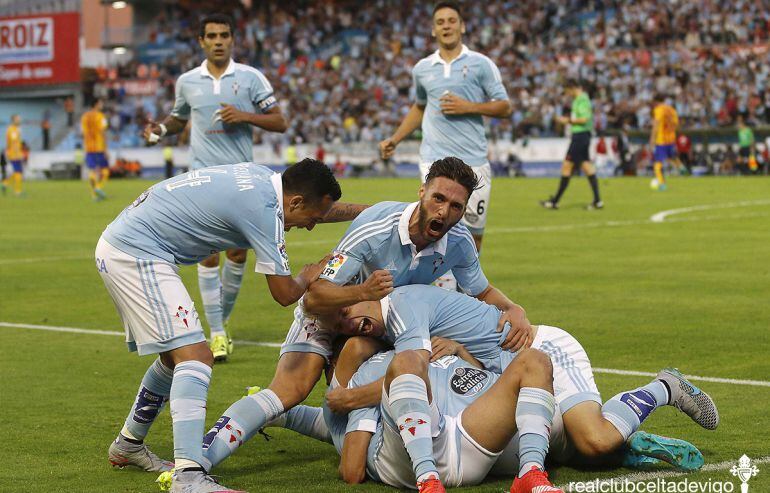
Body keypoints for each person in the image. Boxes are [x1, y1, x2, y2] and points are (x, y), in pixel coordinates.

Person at [197, 158, 532, 477]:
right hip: (329, 313)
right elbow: (315, 296)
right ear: (422, 192)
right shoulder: (376, 228)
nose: (444, 212)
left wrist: (514, 308)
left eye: (456, 206)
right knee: (289, 391)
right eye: (438, 198)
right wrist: (364, 293)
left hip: (377, 327)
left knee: (379, 396)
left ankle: (358, 446)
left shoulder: (458, 243)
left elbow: (482, 290)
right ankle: (198, 461)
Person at [97, 159, 344, 493]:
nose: (311, 226)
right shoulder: (263, 209)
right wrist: (308, 273)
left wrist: (383, 211)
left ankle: (128, 444)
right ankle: (187, 478)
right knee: (196, 357)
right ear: (295, 202)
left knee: (174, 359)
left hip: (126, 244)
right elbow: (285, 294)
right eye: (312, 219)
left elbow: (321, 209)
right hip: (137, 254)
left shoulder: (262, 178)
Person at [143, 13, 288, 362]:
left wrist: (246, 116)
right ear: (201, 41)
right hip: (201, 181)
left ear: (232, 39)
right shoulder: (188, 81)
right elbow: (178, 118)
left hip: (240, 180)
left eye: (224, 35)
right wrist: (160, 132)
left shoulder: (251, 78)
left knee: (237, 255)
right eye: (212, 35)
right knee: (208, 255)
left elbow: (280, 121)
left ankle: (218, 321)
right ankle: (219, 333)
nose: (219, 40)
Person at [379, 1, 512, 290]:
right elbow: (419, 107)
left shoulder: (481, 64)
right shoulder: (422, 69)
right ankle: (438, 290)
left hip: (473, 161)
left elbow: (504, 107)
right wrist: (395, 138)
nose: (447, 25)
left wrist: (468, 107)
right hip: (434, 160)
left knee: (473, 233)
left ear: (462, 26)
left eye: (452, 20)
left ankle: (467, 288)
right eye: (441, 22)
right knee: (434, 223)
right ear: (433, 30)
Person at [540, 80, 602, 210]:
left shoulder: (582, 99)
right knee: (586, 167)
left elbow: (585, 119)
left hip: (580, 136)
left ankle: (555, 201)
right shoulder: (579, 100)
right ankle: (597, 201)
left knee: (567, 166)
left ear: (572, 88)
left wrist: (567, 120)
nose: (567, 94)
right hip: (581, 136)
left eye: (567, 91)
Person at [648, 93, 681, 190]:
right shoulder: (672, 110)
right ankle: (684, 172)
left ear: (656, 101)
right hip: (671, 139)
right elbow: (676, 124)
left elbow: (656, 125)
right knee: (673, 158)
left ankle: (662, 185)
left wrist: (652, 140)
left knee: (657, 163)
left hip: (661, 140)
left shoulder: (658, 110)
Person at [81, 99, 110, 201]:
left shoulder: (84, 117)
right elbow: (103, 132)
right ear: (96, 104)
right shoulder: (100, 116)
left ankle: (94, 195)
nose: (102, 105)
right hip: (99, 147)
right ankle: (98, 188)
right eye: (100, 103)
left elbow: (83, 133)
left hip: (89, 148)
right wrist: (106, 149)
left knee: (92, 171)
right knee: (105, 171)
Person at [2, 114, 24, 197]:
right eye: (18, 119)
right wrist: (18, 153)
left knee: (18, 172)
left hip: (15, 153)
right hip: (14, 154)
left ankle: (5, 183)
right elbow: (13, 142)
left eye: (19, 119)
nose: (19, 120)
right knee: (18, 171)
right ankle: (17, 192)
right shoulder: (12, 129)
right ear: (13, 120)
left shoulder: (16, 129)